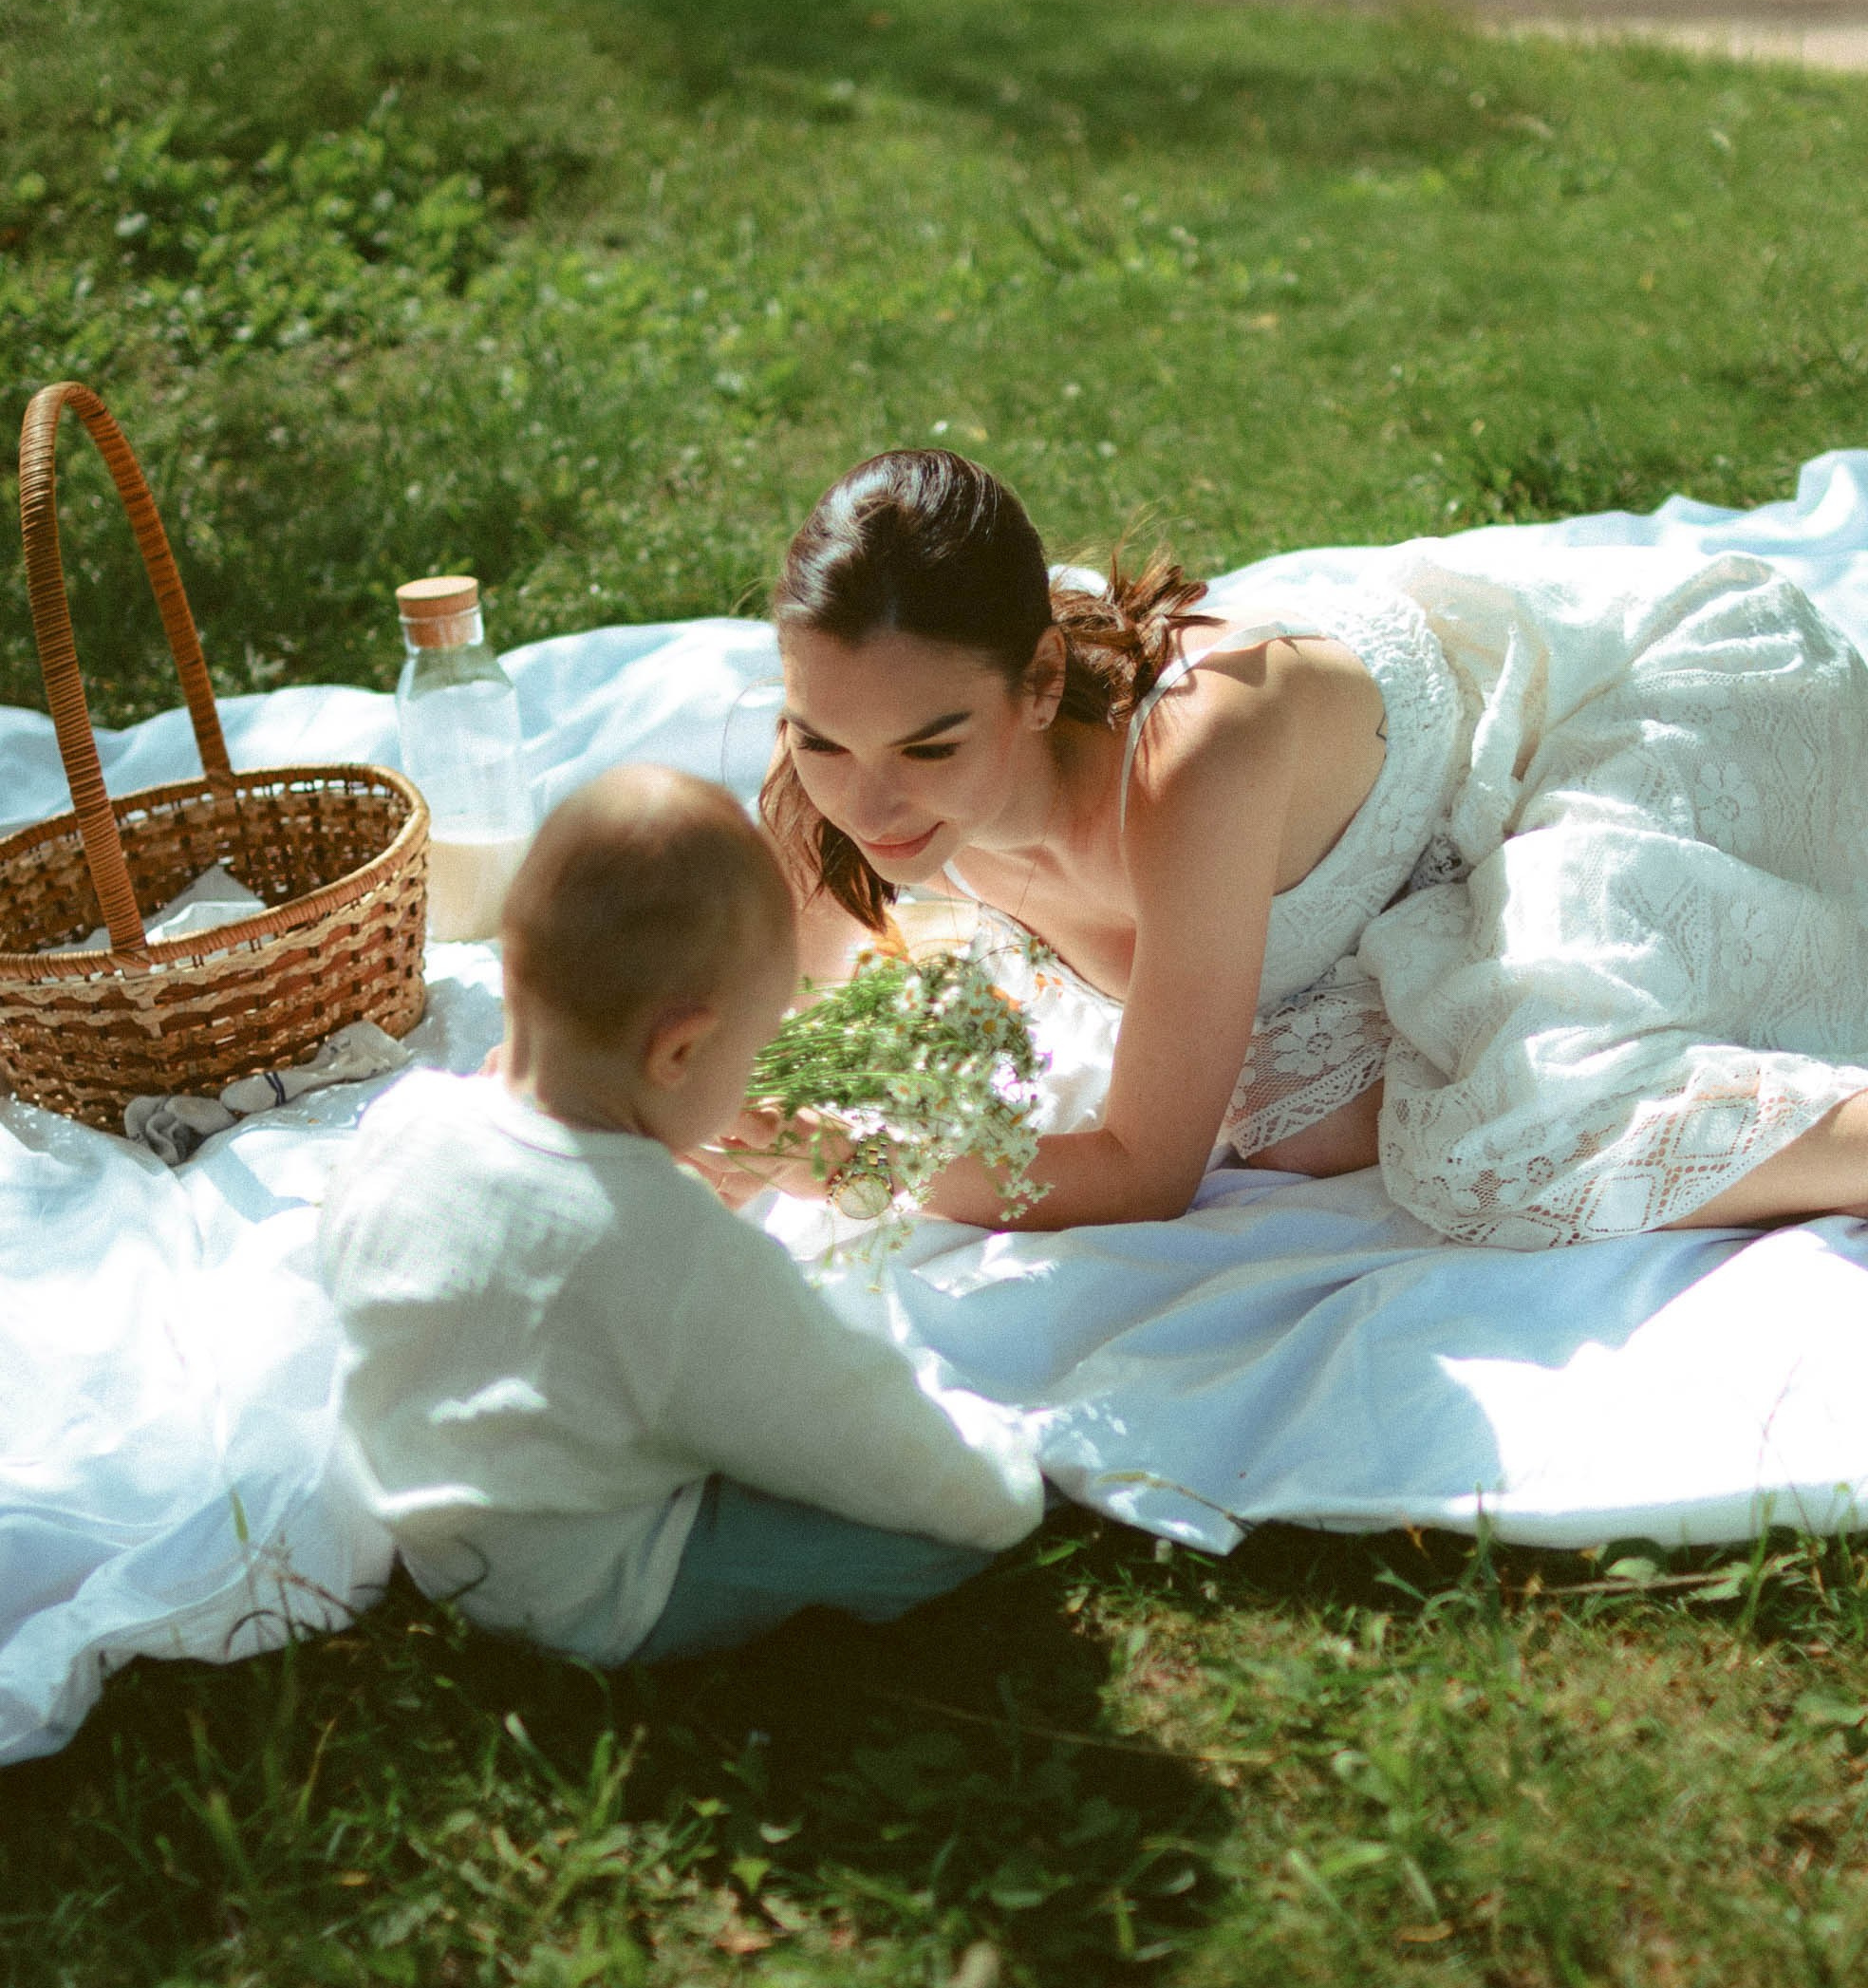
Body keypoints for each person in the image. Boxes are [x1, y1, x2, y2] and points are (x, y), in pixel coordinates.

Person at [698, 448, 1868, 1250]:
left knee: (1519, 1130)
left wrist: (856, 1166)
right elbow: (723, 1030)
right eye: (819, 737)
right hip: (1388, 867)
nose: (871, 798)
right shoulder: (838, 780)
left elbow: (1146, 1173)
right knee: (1310, 1127)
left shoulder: (1187, 756)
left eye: (932, 746)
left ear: (1041, 682)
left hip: (1604, 717)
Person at [318, 763, 1041, 1667]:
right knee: (928, 1538)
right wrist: (1002, 1482)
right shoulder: (665, 1247)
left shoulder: (404, 1122)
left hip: (434, 1533)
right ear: (682, 1049)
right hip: (592, 1591)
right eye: (752, 1049)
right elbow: (845, 1421)